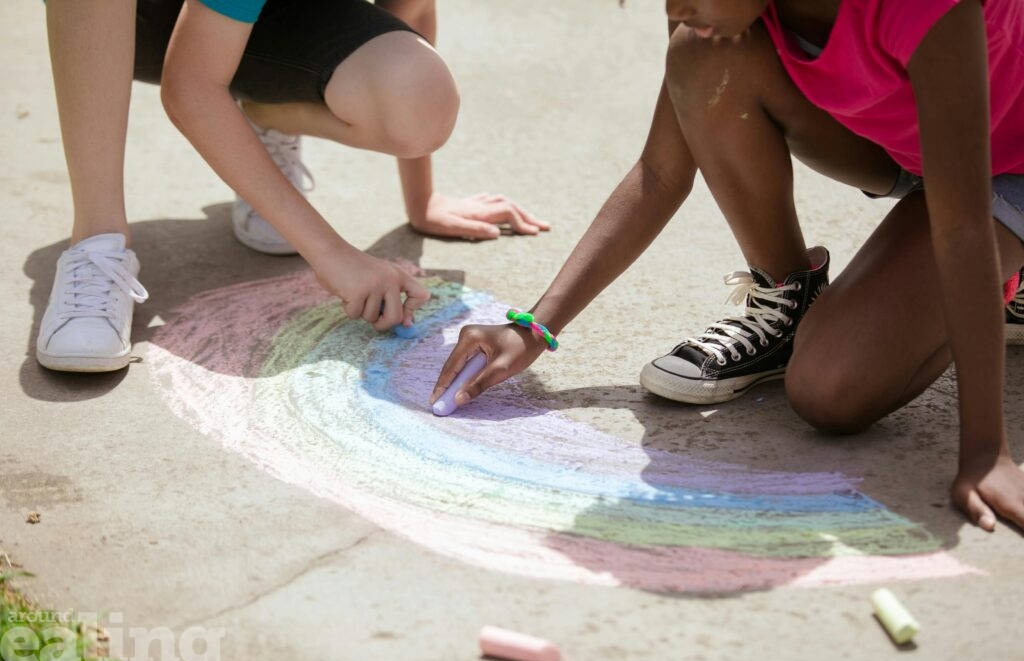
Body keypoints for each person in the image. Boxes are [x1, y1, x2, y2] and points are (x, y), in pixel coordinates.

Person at [432, 0, 1024, 532]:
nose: (675, 6)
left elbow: (962, 226)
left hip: (1008, 164)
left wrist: (984, 453)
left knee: (832, 391)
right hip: (915, 144)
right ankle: (793, 299)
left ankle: (1010, 272)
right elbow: (662, 172)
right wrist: (534, 327)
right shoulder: (711, 9)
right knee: (701, 57)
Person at [37, 0, 548, 373]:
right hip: (135, 18)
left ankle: (264, 118)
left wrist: (422, 199)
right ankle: (96, 241)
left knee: (418, 94)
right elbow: (188, 85)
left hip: (248, 20)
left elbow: (409, 12)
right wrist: (332, 254)